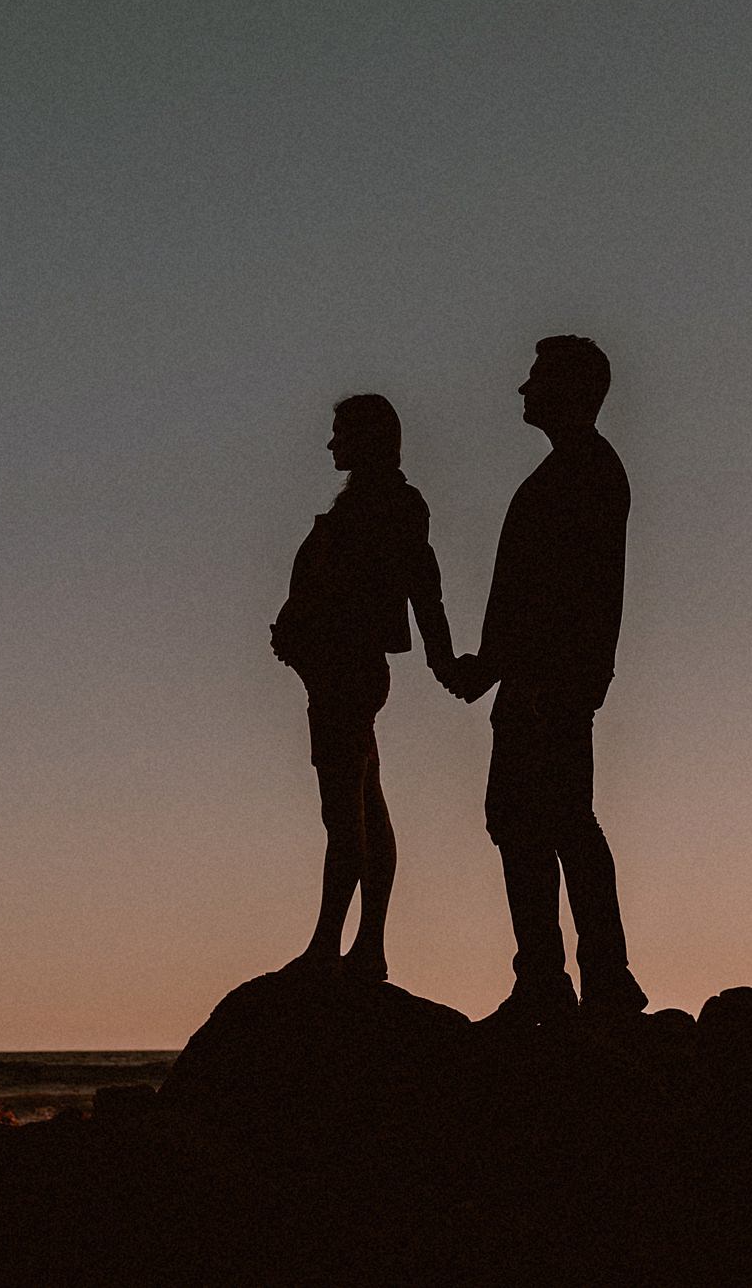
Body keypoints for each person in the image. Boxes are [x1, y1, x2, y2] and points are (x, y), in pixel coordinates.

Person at [440, 336, 648, 1022]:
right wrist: (492, 668)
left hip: (548, 680)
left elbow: (560, 593)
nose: (522, 390)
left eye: (534, 379)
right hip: (539, 677)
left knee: (550, 821)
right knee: (534, 820)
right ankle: (567, 978)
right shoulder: (576, 470)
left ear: (568, 389)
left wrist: (511, 670)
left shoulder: (583, 473)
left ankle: (577, 981)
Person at [269, 393, 455, 982]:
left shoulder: (391, 505)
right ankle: (357, 945)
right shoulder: (369, 504)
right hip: (334, 672)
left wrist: (444, 660)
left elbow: (421, 584)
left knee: (345, 812)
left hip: (346, 673)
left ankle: (338, 944)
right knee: (362, 806)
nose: (331, 444)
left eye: (340, 433)